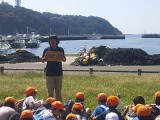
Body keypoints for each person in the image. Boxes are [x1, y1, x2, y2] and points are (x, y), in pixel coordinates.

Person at [42, 35, 66, 101]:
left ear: (56, 41)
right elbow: (42, 61)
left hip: (59, 72)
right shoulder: (46, 50)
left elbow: (64, 60)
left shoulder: (61, 49)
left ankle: (58, 106)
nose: (52, 42)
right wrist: (45, 56)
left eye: (54, 40)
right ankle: (50, 105)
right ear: (49, 41)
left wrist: (61, 56)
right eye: (51, 40)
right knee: (50, 92)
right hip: (49, 73)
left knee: (58, 91)